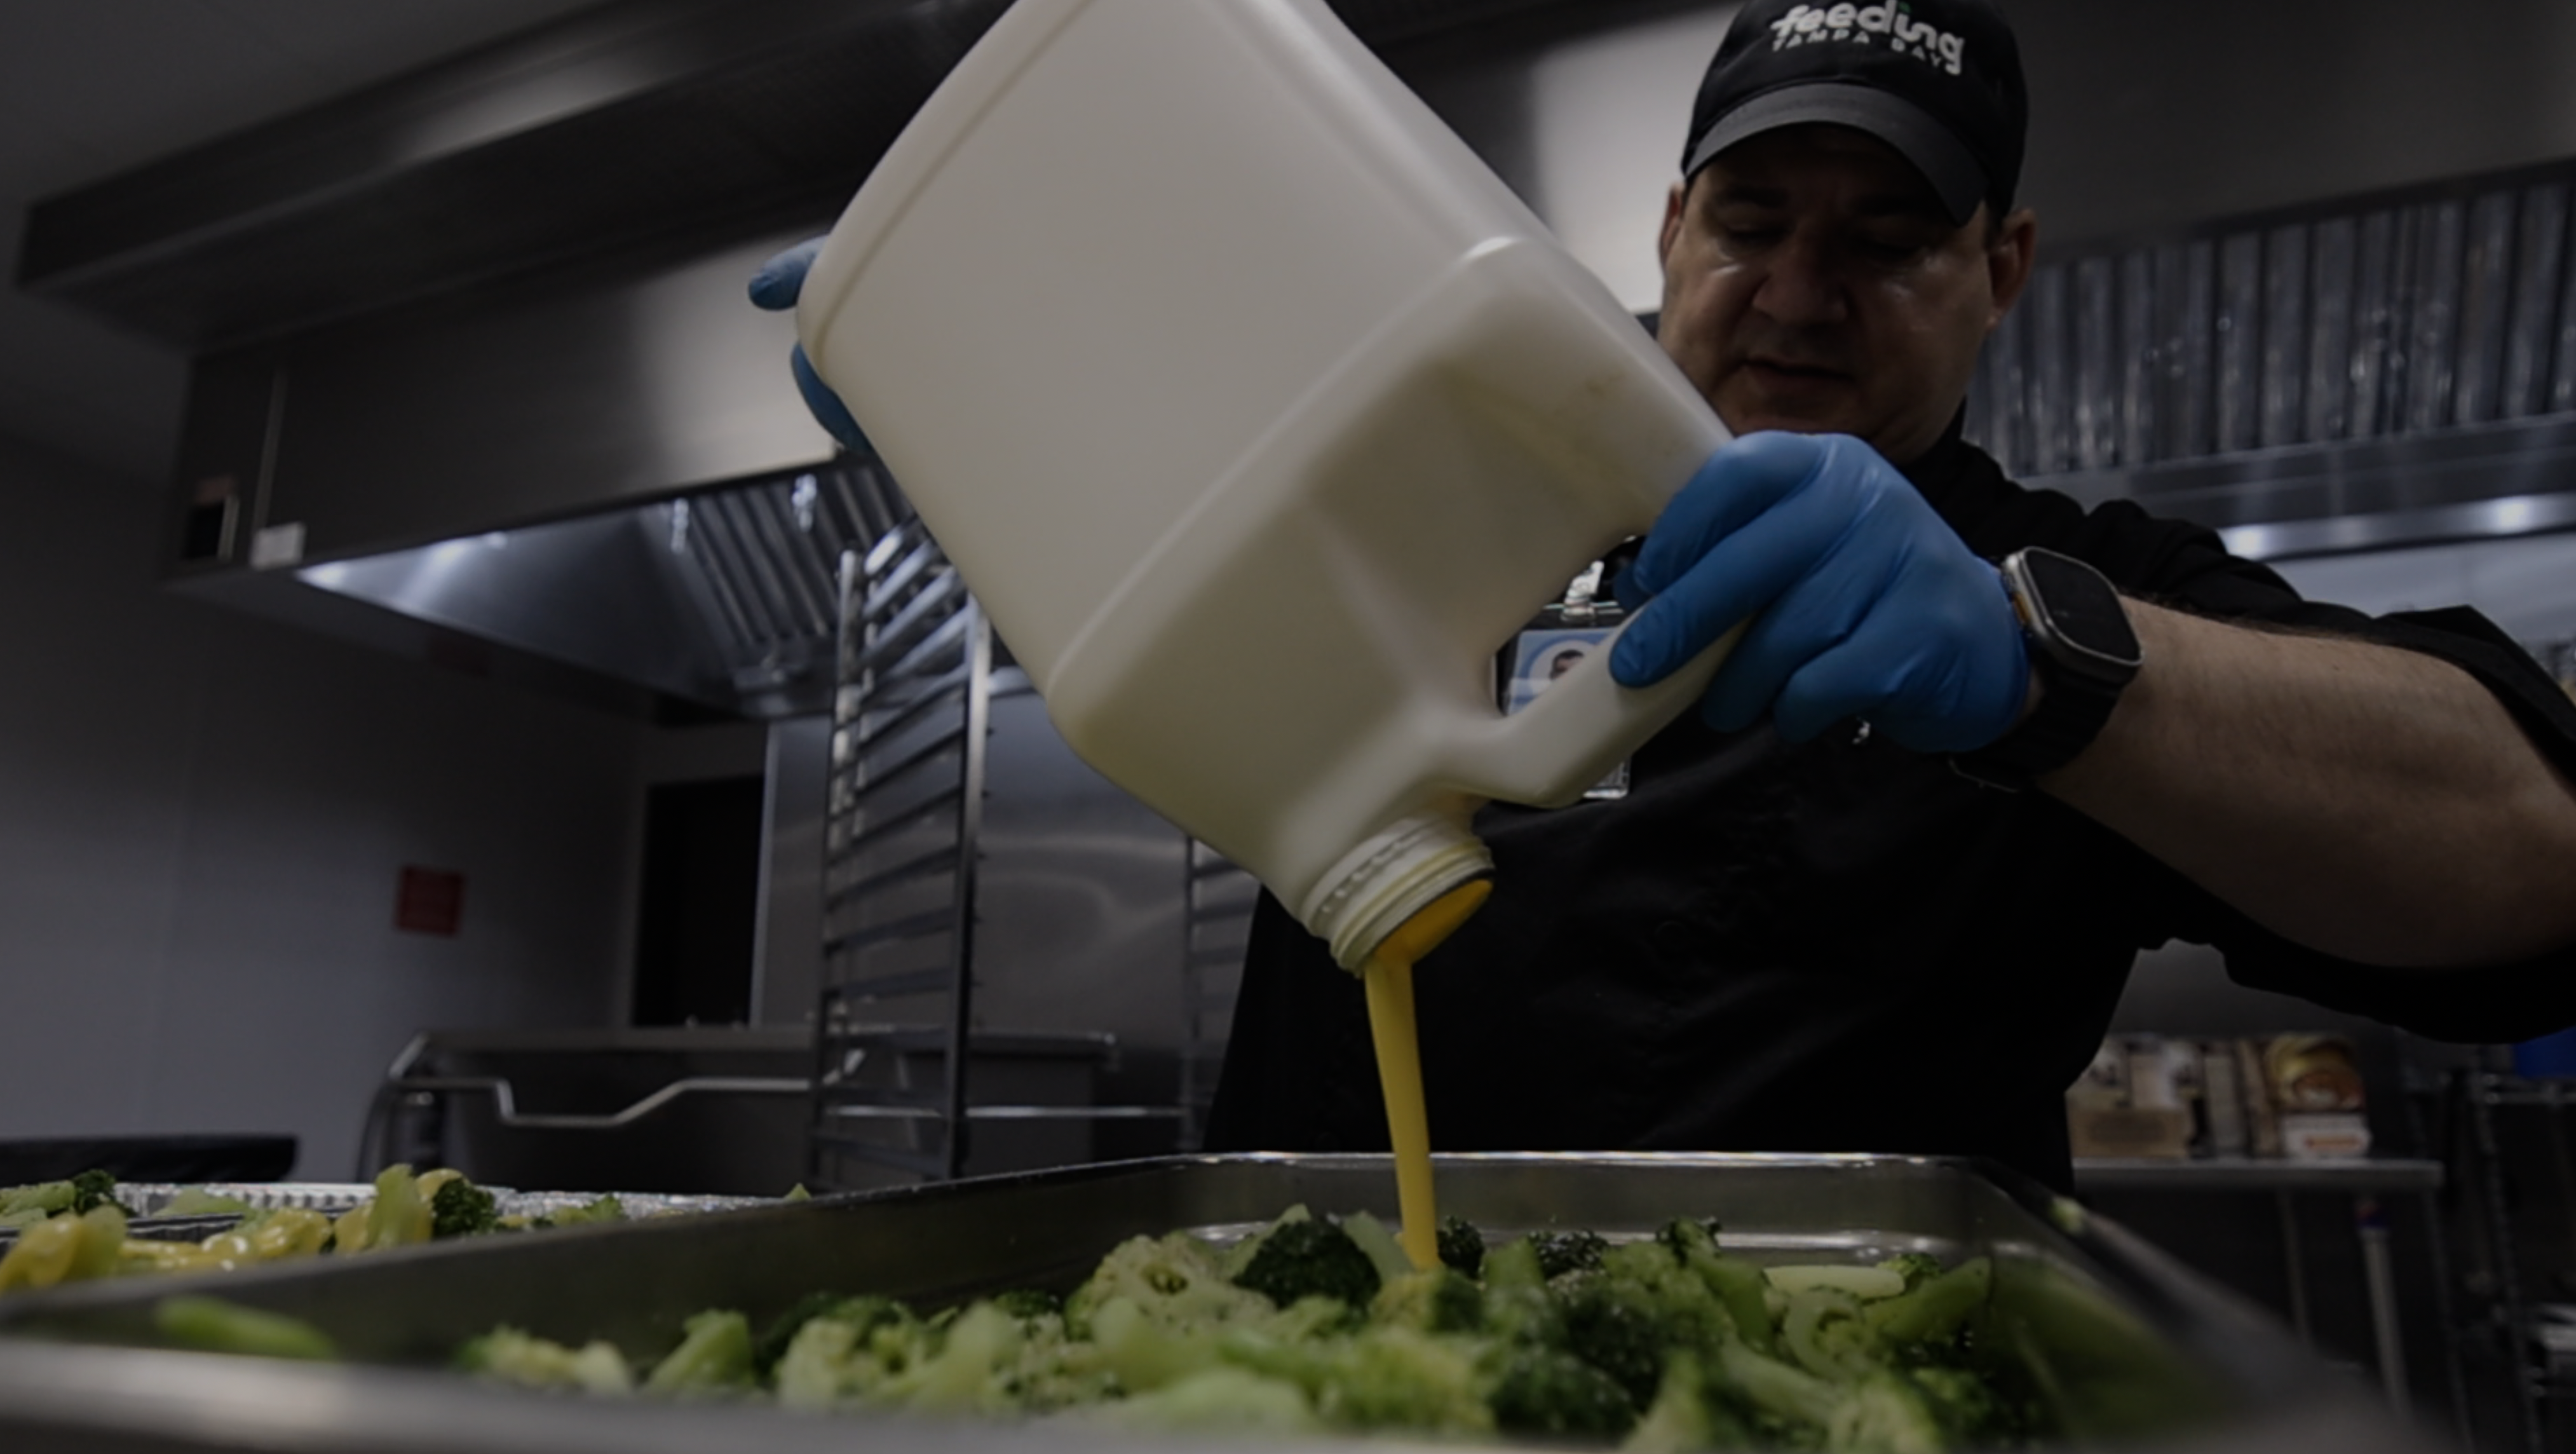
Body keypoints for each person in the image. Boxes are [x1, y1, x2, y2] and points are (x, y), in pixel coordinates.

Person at [754, 0, 2576, 1190]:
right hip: (1330, 1360)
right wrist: (966, 363)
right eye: (1753, 218)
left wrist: (2047, 670)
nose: (1797, 290)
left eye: (1883, 240)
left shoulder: (2070, 586)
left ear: (1999, 267)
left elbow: (2526, 848)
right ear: (1668, 228)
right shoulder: (1406, 485)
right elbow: (1130, 534)